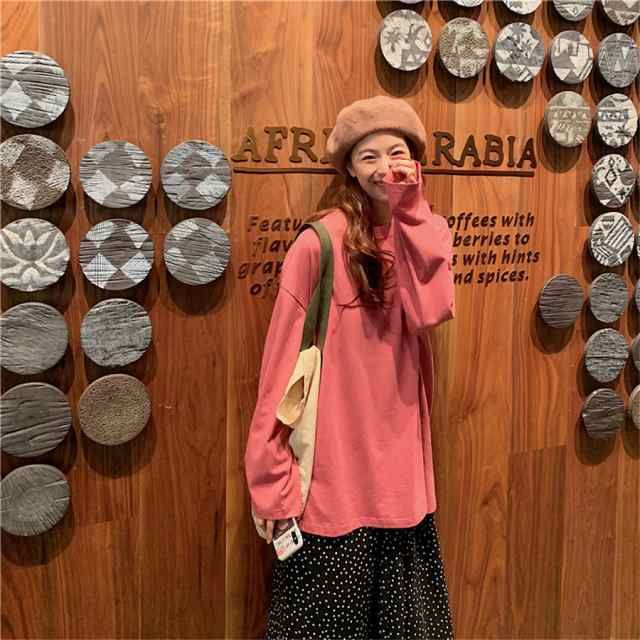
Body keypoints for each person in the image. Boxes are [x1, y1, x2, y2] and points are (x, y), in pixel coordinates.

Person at [244, 95, 456, 639]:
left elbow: (432, 311)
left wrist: (411, 209)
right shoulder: (319, 244)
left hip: (401, 487)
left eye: (398, 152)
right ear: (350, 170)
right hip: (332, 487)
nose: (386, 166)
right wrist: (271, 482)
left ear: (415, 161)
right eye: (369, 156)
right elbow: (279, 372)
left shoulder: (425, 233)